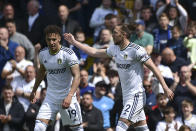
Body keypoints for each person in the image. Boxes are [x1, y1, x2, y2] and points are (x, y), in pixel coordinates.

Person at [64, 24, 174, 131]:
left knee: (121, 126)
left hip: (136, 95)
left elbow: (154, 68)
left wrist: (165, 87)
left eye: (115, 33)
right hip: (127, 96)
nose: (113, 35)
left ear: (124, 34)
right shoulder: (115, 49)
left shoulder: (136, 50)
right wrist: (74, 42)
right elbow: (94, 51)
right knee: (141, 127)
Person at [30, 25, 83, 131]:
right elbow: (41, 72)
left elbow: (77, 76)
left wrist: (70, 96)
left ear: (59, 38)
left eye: (54, 39)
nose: (51, 42)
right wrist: (34, 90)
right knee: (39, 127)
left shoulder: (68, 54)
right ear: (45, 39)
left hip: (67, 97)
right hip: (51, 98)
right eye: (49, 39)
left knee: (77, 129)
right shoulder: (43, 54)